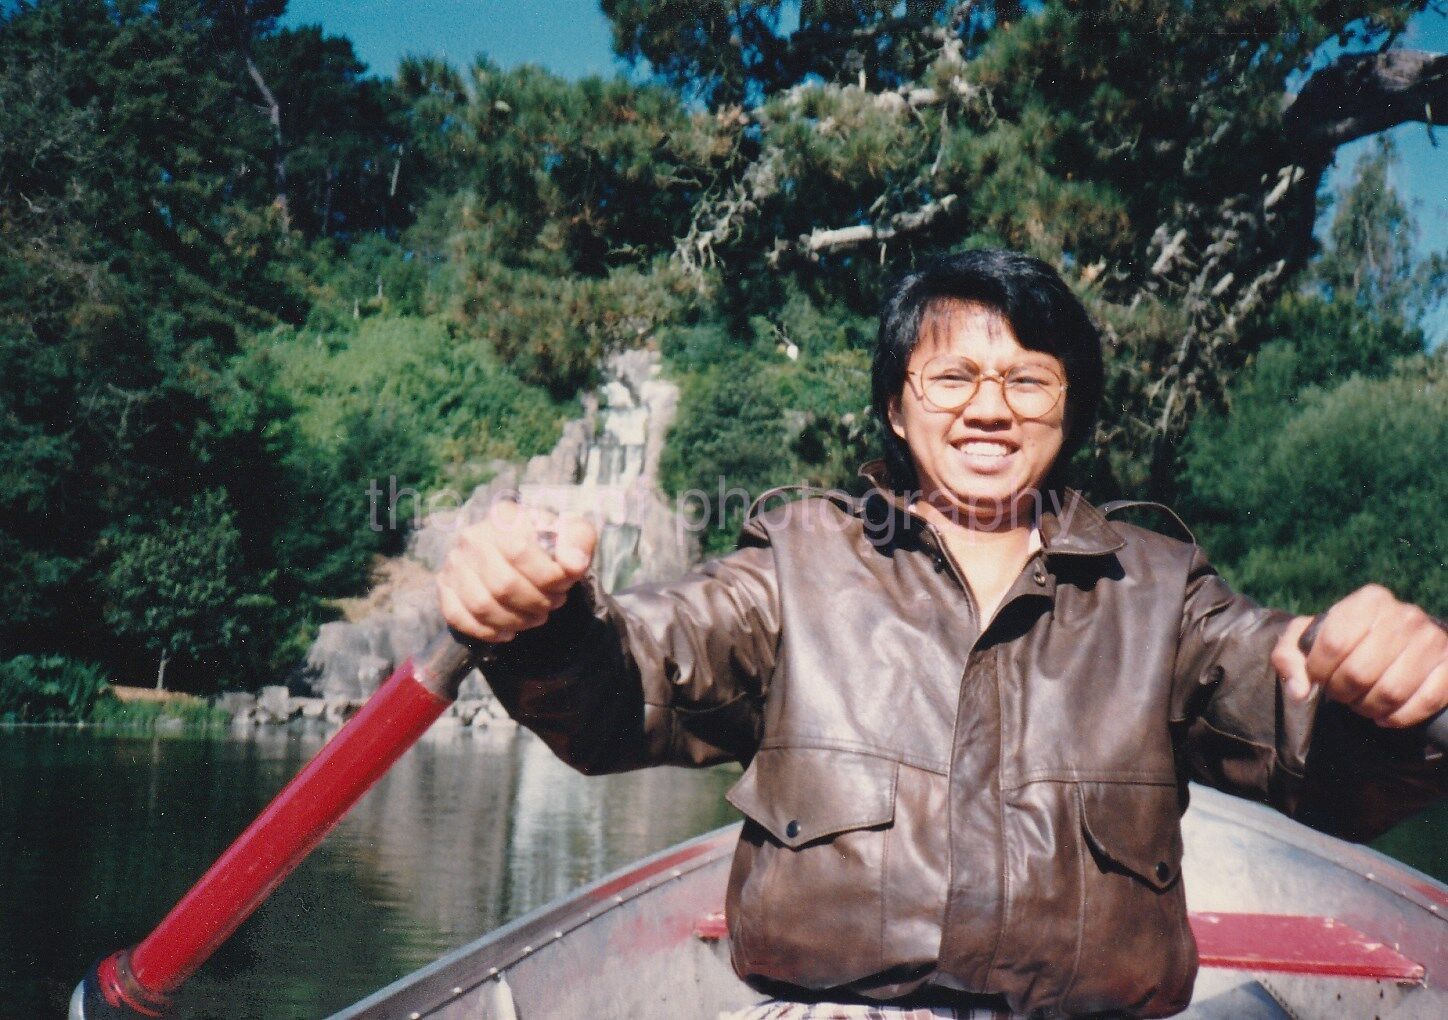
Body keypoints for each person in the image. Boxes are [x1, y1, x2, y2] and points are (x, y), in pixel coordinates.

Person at [437, 250, 1448, 1017]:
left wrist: (1390, 697)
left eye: (1026, 381)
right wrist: (539, 623)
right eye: (950, 378)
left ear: (1069, 408)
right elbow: (627, 683)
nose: (988, 411)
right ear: (894, 405)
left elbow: (1300, 731)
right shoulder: (796, 563)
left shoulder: (1160, 592)